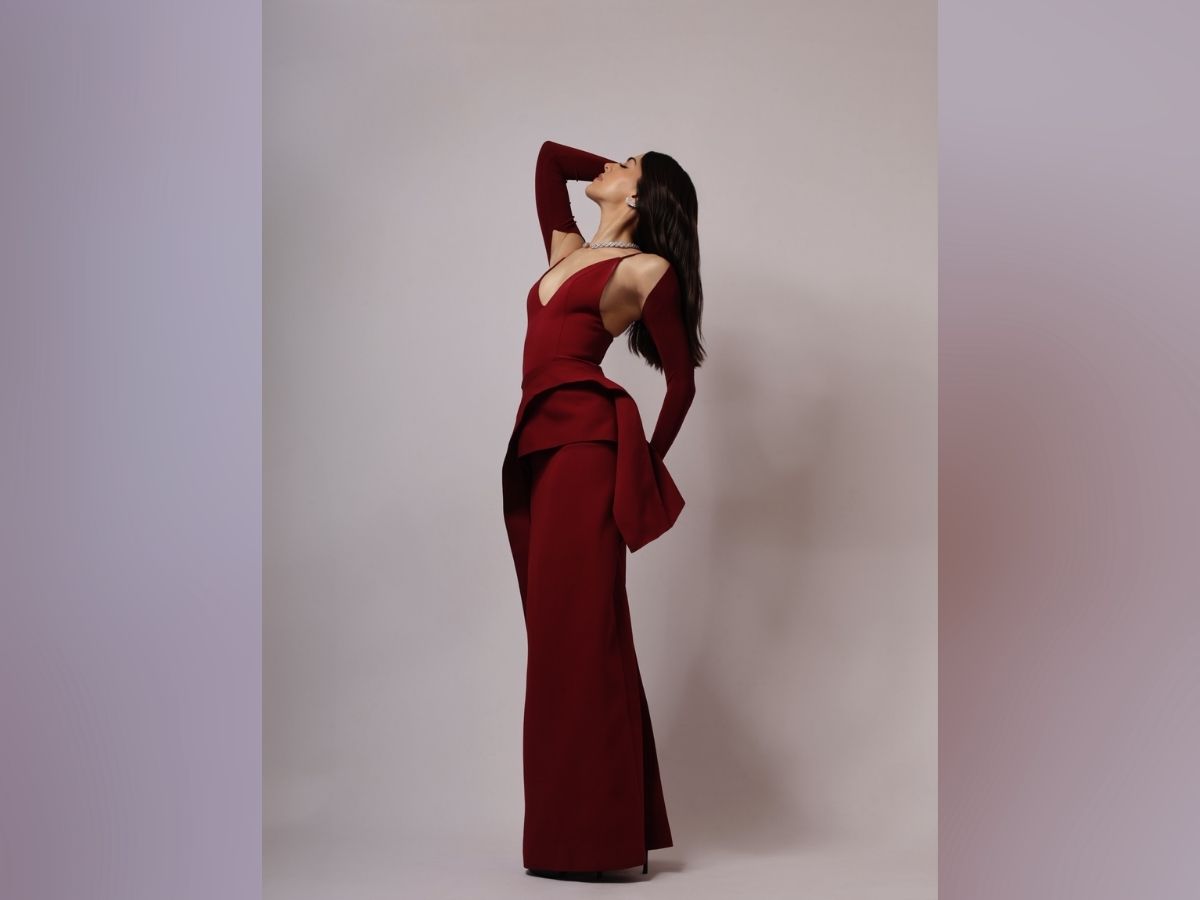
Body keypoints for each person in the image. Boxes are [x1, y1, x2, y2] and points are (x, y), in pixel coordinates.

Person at [501, 139, 705, 881]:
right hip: (536, 449)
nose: (609, 166)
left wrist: (640, 466)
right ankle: (575, 834)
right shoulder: (567, 250)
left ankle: (593, 840)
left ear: (641, 198)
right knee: (557, 640)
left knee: (584, 635)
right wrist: (616, 167)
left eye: (626, 165)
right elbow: (549, 160)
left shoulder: (645, 271)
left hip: (588, 453)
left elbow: (681, 383)